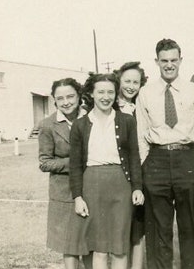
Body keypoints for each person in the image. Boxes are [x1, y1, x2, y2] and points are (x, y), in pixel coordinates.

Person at [136, 38, 194, 269]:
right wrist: (145, 164)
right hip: (156, 160)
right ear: (156, 61)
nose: (169, 65)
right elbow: (141, 133)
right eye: (164, 61)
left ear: (181, 60)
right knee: (159, 228)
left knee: (189, 227)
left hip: (187, 159)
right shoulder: (145, 93)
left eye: (173, 60)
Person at [69, 73, 144, 269]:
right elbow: (75, 165)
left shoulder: (127, 121)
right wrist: (78, 196)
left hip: (121, 185)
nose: (106, 96)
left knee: (119, 247)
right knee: (100, 248)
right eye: (100, 91)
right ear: (91, 94)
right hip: (92, 187)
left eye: (110, 92)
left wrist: (137, 187)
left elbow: (134, 157)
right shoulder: (79, 125)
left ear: (116, 94)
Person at [38, 78, 92, 269]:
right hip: (63, 193)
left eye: (70, 96)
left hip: (91, 188)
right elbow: (44, 163)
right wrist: (75, 163)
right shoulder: (47, 125)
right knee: (68, 245)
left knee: (89, 244)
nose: (66, 102)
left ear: (79, 96)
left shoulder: (92, 118)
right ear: (54, 100)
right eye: (60, 98)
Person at [115, 61, 148, 269]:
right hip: (121, 174)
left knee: (139, 226)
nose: (131, 86)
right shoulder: (109, 105)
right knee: (120, 228)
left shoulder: (143, 105)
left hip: (144, 170)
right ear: (118, 81)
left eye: (135, 82)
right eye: (127, 81)